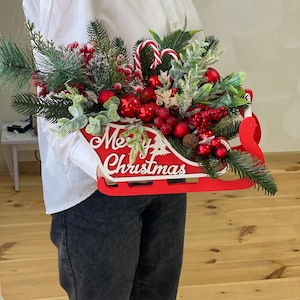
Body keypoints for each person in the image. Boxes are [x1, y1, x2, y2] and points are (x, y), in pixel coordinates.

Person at [22, 1, 203, 299]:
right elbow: (57, 93)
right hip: (98, 181)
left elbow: (189, 41)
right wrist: (98, 165)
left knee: (159, 290)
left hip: (167, 158)